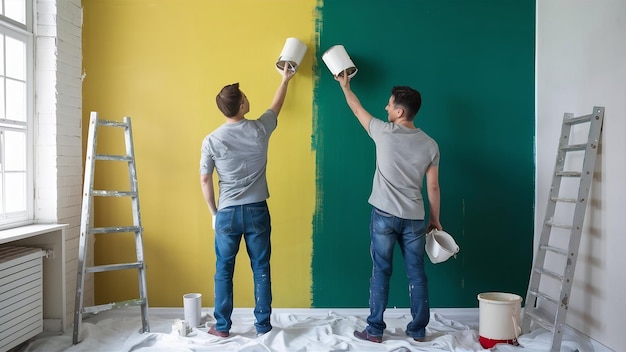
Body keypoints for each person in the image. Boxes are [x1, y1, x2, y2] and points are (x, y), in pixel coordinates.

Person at [334, 70, 442, 343]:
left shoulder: (383, 132)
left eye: (390, 104)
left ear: (400, 111)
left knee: (381, 270)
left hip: (383, 215)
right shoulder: (430, 145)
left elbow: (357, 108)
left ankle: (374, 330)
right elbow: (432, 187)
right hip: (416, 218)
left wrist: (345, 86)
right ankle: (418, 331)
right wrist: (435, 219)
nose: (386, 107)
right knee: (417, 272)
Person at [199, 64, 296, 338]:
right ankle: (263, 325)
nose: (247, 99)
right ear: (242, 106)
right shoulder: (259, 130)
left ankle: (222, 327)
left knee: (223, 270)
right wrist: (285, 80)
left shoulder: (211, 140)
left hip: (226, 213)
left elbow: (205, 180)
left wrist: (213, 212)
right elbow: (276, 106)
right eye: (245, 97)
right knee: (261, 267)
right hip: (256, 211)